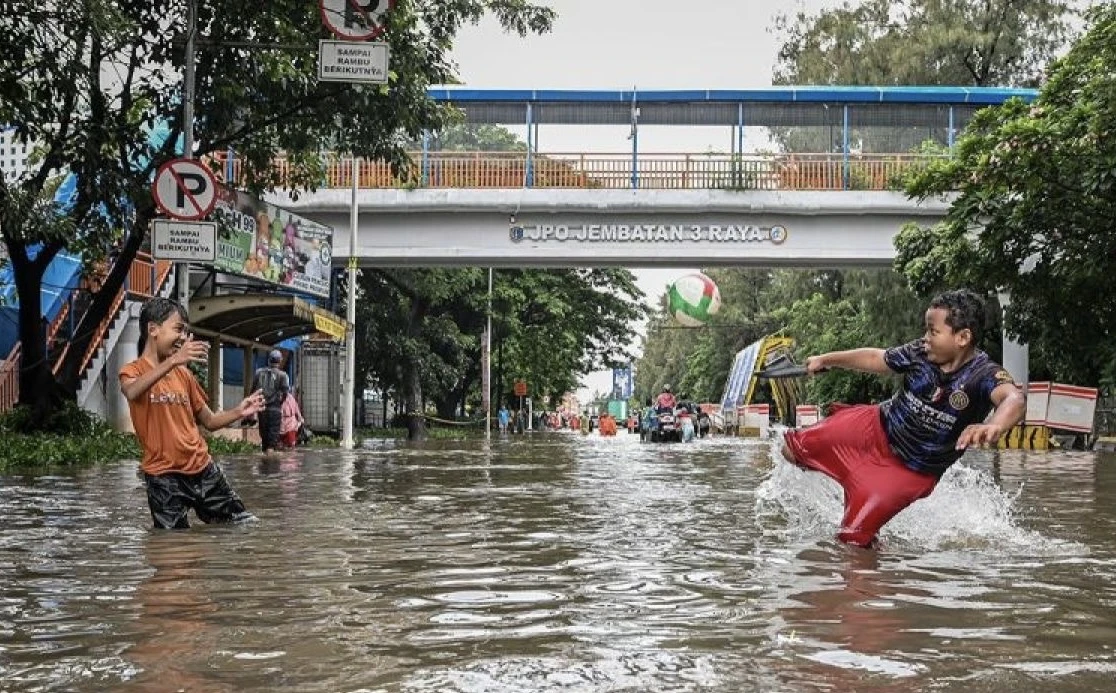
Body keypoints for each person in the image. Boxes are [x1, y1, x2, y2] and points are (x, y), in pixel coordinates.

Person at [780, 289, 1026, 548]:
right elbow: (877, 358)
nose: (926, 338)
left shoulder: (984, 374)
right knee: (791, 449)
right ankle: (847, 484)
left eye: (933, 331)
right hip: (873, 428)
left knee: (852, 542)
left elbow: (1014, 399)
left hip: (909, 471)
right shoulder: (919, 353)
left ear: (963, 337)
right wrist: (825, 359)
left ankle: (877, 556)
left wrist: (994, 425)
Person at [119, 297, 265, 529]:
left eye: (186, 332)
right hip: (162, 477)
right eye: (178, 329)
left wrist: (239, 410)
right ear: (153, 329)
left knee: (242, 524)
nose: (184, 338)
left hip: (203, 469)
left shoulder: (184, 375)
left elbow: (210, 421)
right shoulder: (132, 371)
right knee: (172, 544)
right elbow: (132, 391)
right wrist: (174, 361)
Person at [251, 349, 290, 453]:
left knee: (264, 439)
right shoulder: (283, 375)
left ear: (269, 360)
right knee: (272, 442)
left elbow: (252, 390)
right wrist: (280, 403)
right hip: (275, 409)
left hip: (262, 409)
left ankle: (264, 465)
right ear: (280, 360)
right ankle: (271, 465)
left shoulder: (258, 372)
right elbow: (285, 392)